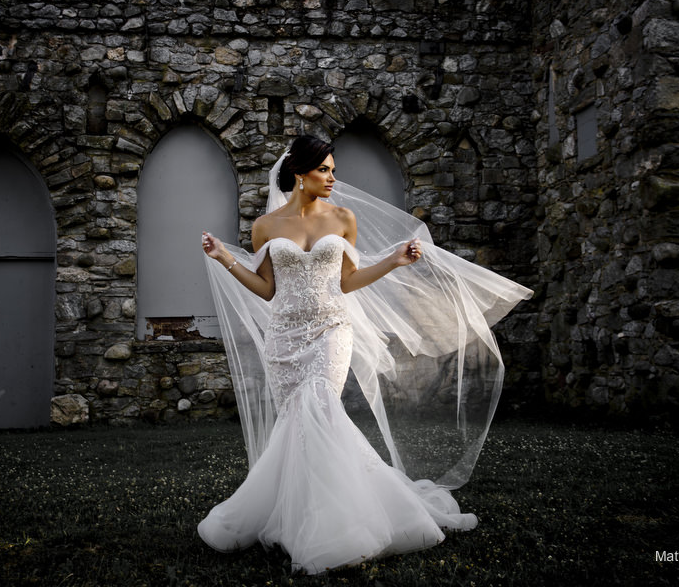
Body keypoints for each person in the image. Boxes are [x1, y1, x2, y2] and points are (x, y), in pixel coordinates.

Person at [197, 135, 532, 574]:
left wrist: (394, 261)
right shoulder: (266, 226)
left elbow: (347, 281)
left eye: (334, 170)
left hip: (332, 330)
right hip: (285, 338)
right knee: (296, 427)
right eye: (325, 170)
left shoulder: (343, 218)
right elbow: (267, 289)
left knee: (319, 410)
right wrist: (224, 256)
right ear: (300, 174)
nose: (333, 178)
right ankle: (296, 517)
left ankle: (339, 525)